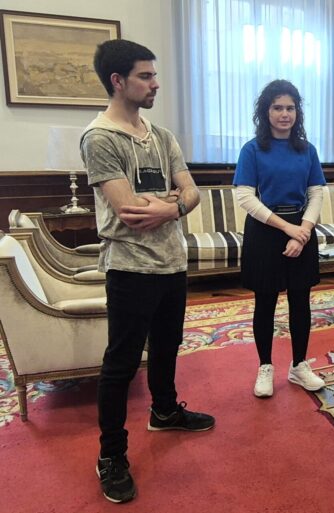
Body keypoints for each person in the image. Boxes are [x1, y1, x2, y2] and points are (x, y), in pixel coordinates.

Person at [81, 39, 215, 504]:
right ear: (118, 81)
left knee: (167, 345)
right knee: (120, 364)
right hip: (130, 268)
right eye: (146, 76)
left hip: (172, 263)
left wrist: (171, 206)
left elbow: (192, 192)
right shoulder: (101, 138)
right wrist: (174, 201)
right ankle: (111, 454)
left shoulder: (161, 135)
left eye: (154, 75)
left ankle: (165, 411)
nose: (155, 83)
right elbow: (129, 211)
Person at [234, 80, 326, 398]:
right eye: (277, 108)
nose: (284, 114)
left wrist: (303, 231)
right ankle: (265, 367)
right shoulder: (252, 149)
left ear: (297, 112)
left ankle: (299, 365)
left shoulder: (307, 150)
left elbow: (316, 193)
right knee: (266, 302)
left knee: (301, 301)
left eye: (290, 108)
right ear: (266, 111)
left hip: (302, 227)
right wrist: (288, 229)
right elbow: (245, 197)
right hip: (265, 230)